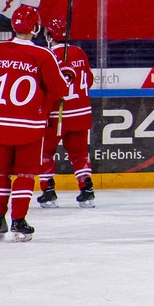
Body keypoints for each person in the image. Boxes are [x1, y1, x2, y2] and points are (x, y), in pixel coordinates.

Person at [0, 6, 70, 241]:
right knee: (25, 174)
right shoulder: (43, 55)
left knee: (0, 174)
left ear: (13, 25)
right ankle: (18, 221)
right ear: (36, 28)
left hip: (0, 122)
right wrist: (64, 77)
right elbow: (60, 89)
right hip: (29, 126)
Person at [36, 18, 96, 209]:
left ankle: (48, 191)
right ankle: (86, 190)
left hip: (57, 115)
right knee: (79, 154)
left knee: (45, 152)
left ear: (50, 35)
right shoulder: (79, 52)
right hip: (81, 113)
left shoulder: (48, 55)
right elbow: (90, 80)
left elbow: (46, 87)